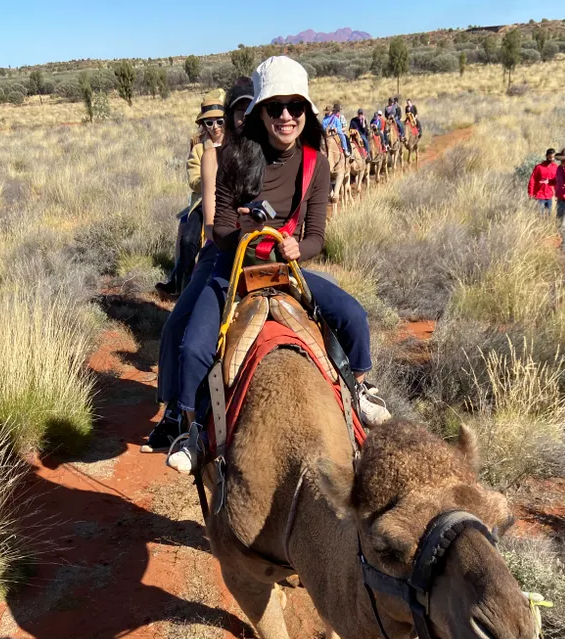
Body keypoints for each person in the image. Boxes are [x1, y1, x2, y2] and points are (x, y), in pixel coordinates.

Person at [165, 55, 390, 472]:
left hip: (285, 268)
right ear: (261, 113)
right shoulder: (233, 159)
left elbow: (317, 236)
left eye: (295, 106)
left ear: (306, 111)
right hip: (235, 268)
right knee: (194, 346)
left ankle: (358, 390)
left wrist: (297, 248)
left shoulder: (315, 164)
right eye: (275, 107)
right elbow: (219, 231)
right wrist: (243, 229)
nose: (286, 116)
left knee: (353, 317)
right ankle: (192, 430)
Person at [143, 79, 253, 454]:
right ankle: (175, 412)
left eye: (223, 119)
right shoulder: (208, 154)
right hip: (220, 247)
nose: (218, 126)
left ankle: (350, 390)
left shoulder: (267, 148)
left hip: (265, 250)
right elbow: (211, 218)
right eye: (212, 121)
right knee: (178, 326)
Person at [156, 92, 225, 297]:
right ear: (203, 125)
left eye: (219, 121)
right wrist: (210, 180)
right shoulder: (198, 150)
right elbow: (194, 181)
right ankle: (183, 285)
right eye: (209, 122)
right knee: (188, 240)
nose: (215, 127)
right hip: (203, 202)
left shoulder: (236, 146)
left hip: (230, 202)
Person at [527, 147, 557, 215]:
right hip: (540, 195)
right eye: (550, 157)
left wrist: (557, 194)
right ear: (546, 156)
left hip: (549, 195)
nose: (552, 159)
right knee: (540, 215)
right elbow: (532, 180)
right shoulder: (539, 167)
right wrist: (530, 193)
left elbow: (556, 181)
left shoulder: (555, 167)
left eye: (553, 157)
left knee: (549, 215)